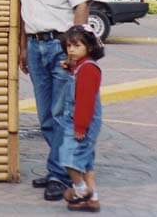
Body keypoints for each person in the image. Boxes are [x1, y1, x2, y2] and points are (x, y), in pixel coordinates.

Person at [17, 0, 93, 201]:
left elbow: (81, 5)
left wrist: (76, 51)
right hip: (35, 46)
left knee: (63, 114)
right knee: (46, 115)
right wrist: (23, 47)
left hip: (61, 45)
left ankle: (61, 175)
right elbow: (23, 7)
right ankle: (57, 168)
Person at [58, 24, 105, 212]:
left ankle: (80, 190)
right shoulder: (81, 66)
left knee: (68, 156)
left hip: (81, 122)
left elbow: (85, 100)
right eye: (69, 46)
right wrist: (70, 67)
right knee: (85, 162)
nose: (71, 50)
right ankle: (92, 198)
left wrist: (80, 126)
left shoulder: (88, 69)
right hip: (81, 122)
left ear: (90, 47)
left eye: (77, 46)